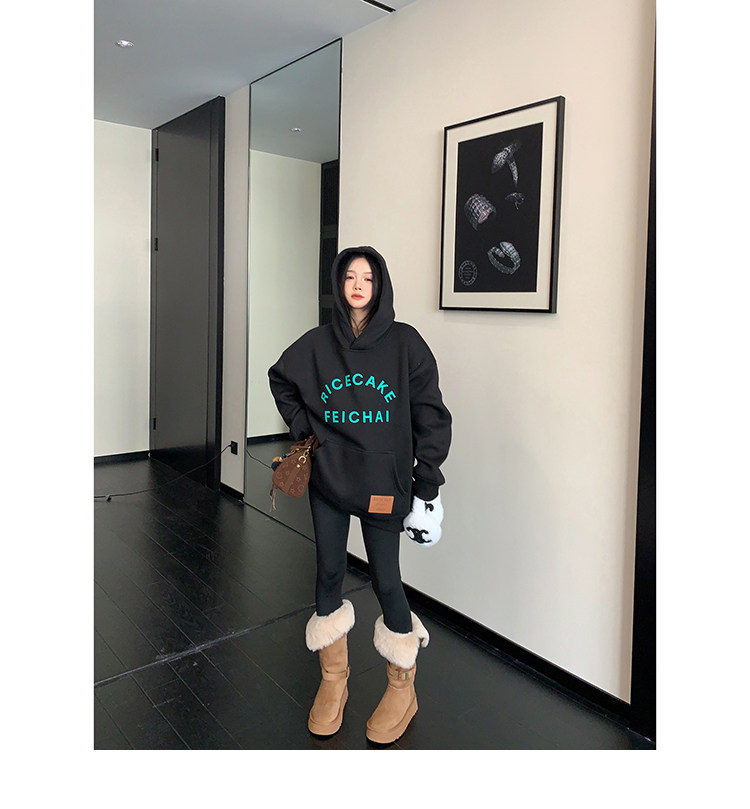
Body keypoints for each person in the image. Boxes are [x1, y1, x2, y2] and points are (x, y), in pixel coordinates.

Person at [268, 245, 452, 744]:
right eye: (349, 276)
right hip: (329, 479)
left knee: (385, 580)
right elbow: (280, 378)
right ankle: (334, 681)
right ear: (338, 283)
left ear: (380, 286)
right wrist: (307, 429)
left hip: (383, 485)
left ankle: (403, 688)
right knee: (329, 571)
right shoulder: (317, 343)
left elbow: (432, 416)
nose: (357, 285)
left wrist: (426, 483)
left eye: (367, 278)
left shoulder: (406, 344)